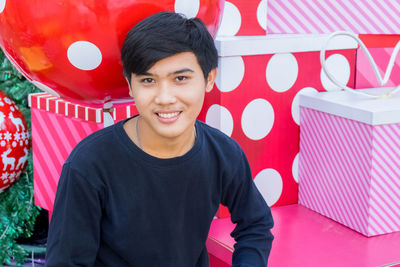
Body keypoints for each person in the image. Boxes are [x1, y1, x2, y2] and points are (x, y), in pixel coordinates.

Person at [45, 11, 274, 267]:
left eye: (180, 79)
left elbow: (256, 224)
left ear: (209, 79)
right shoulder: (89, 164)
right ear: (130, 86)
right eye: (148, 80)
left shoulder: (224, 154)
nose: (165, 97)